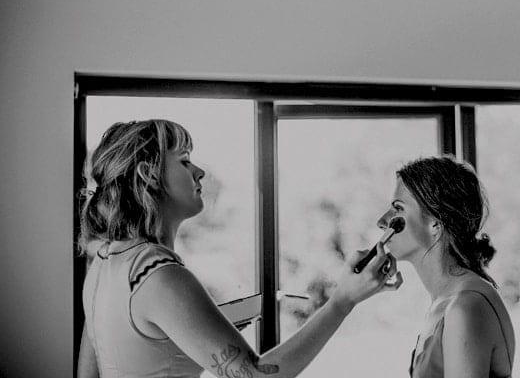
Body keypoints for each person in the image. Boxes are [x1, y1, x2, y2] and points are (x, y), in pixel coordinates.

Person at [77, 119, 401, 378]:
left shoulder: (105, 262)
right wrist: (343, 301)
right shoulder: (161, 275)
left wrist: (233, 317)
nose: (199, 171)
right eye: (185, 161)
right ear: (149, 175)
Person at [377, 156, 515, 378]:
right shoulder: (445, 301)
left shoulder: (464, 308)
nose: (382, 221)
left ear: (435, 224)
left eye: (398, 208)